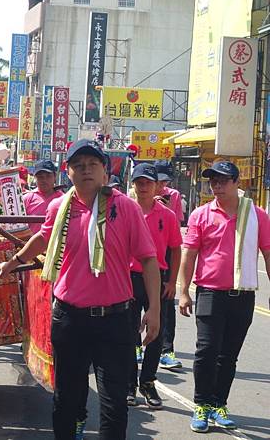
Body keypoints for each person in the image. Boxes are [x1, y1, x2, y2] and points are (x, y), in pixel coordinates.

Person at [0, 139, 160, 440]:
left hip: (115, 320)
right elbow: (43, 239)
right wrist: (13, 262)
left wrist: (153, 310)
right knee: (66, 399)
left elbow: (149, 259)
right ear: (68, 172)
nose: (85, 170)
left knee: (114, 404)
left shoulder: (124, 207)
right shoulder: (59, 208)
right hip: (70, 319)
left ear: (104, 171)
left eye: (92, 165)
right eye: (78, 165)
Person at [179, 161, 270, 433]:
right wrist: (183, 291)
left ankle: (219, 403)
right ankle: (201, 404)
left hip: (242, 296)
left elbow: (267, 253)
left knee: (228, 356)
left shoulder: (257, 215)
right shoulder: (201, 215)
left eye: (222, 181)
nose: (216, 186)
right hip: (209, 293)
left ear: (236, 183)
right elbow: (189, 253)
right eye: (212, 181)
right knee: (206, 351)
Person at [127, 163, 182, 410]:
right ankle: (129, 383)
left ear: (156, 184)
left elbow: (175, 249)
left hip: (157, 279)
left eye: (148, 182)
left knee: (155, 333)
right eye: (139, 182)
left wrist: (172, 281)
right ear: (134, 184)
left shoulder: (167, 215)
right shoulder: (125, 211)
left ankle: (147, 381)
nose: (144, 187)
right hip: (128, 278)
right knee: (128, 333)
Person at [154, 160, 184, 370]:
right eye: (159, 181)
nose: (162, 186)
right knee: (136, 302)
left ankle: (166, 350)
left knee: (166, 301)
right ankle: (136, 345)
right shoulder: (135, 194)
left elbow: (176, 225)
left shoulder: (173, 196)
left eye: (165, 181)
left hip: (164, 249)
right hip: (140, 255)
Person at [22, 159, 64, 234]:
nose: (44, 180)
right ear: (35, 178)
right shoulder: (27, 199)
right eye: (40, 177)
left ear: (55, 177)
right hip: (31, 243)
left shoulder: (63, 199)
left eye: (48, 176)